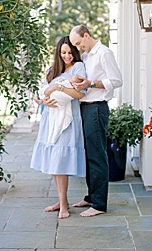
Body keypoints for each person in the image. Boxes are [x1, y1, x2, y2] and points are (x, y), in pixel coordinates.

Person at [68, 25, 123, 217]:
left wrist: (91, 83)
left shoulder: (104, 53)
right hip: (85, 107)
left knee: (97, 155)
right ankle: (91, 196)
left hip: (97, 108)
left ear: (86, 35)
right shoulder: (86, 56)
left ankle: (99, 204)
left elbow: (116, 80)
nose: (78, 47)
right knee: (88, 154)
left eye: (78, 43)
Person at [30, 36, 87, 219]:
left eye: (70, 52)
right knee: (55, 161)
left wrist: (57, 88)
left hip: (67, 121)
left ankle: (63, 204)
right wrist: (44, 98)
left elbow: (79, 93)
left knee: (60, 160)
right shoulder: (52, 70)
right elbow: (44, 92)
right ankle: (61, 200)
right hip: (50, 118)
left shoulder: (78, 67)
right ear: (58, 53)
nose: (67, 56)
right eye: (63, 52)